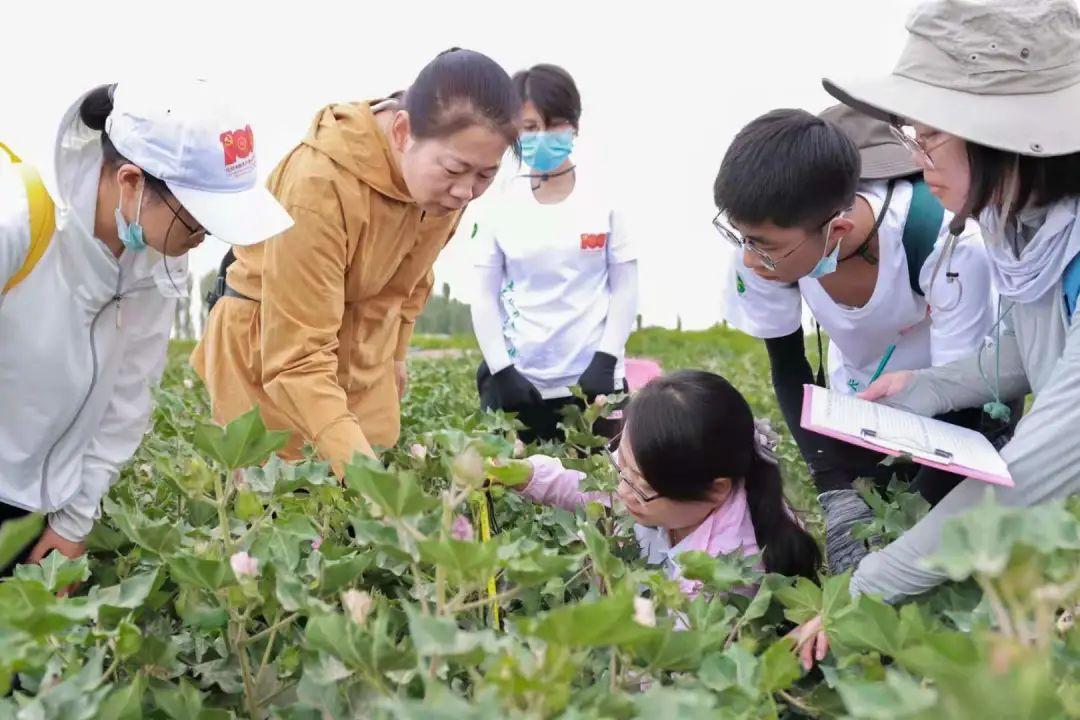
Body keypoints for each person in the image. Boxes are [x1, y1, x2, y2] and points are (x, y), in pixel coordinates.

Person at [790, 0, 1080, 667]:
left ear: (1003, 133)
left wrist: (869, 585)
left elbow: (1028, 477)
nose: (918, 161)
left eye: (930, 138)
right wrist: (922, 391)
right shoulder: (1032, 221)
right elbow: (1027, 347)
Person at [0, 80, 291, 574]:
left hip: (39, 511)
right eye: (196, 221)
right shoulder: (17, 221)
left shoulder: (157, 261)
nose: (203, 240)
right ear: (131, 182)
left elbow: (128, 397)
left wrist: (72, 523)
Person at [193, 49, 519, 477]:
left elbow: (416, 276)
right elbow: (297, 358)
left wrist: (397, 356)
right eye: (456, 170)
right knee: (286, 505)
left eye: (485, 176)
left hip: (363, 356)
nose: (466, 192)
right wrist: (370, 483)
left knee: (361, 523)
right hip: (270, 358)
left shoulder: (443, 188)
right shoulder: (319, 184)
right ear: (402, 132)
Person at [716, 105, 996, 574]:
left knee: (939, 560)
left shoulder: (946, 245)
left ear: (837, 232)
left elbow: (960, 401)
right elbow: (789, 369)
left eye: (760, 244)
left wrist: (909, 526)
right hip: (862, 404)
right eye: (741, 238)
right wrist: (835, 492)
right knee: (858, 547)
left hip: (959, 401)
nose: (749, 260)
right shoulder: (770, 243)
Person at [496, 370, 821, 595]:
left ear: (716, 490)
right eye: (621, 466)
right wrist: (522, 473)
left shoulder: (725, 572)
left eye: (641, 487)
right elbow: (589, 485)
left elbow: (663, 662)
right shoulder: (659, 481)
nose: (622, 490)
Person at [470, 64, 639, 443]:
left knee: (599, 491)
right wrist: (502, 371)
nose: (543, 136)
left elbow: (626, 288)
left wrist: (606, 359)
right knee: (516, 490)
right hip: (520, 382)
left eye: (556, 124)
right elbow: (483, 296)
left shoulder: (605, 198)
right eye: (530, 128)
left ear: (574, 127)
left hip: (592, 382)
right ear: (513, 130)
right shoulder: (498, 203)